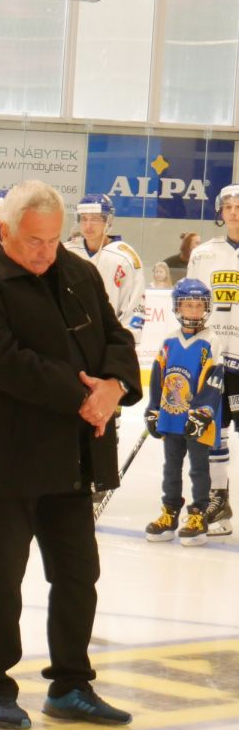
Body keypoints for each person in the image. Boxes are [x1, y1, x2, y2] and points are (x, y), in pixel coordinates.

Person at [0, 180, 141, 730]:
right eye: (34, 241)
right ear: (4, 230)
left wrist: (114, 386)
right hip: (8, 454)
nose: (45, 251)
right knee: (2, 575)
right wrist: (85, 396)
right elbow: (2, 362)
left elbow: (116, 339)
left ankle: (71, 684)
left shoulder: (78, 272)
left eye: (54, 240)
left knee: (79, 572)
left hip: (74, 452)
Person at [144, 279, 225, 547]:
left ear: (207, 308)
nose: (193, 310)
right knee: (171, 468)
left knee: (199, 469)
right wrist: (153, 408)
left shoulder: (211, 341)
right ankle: (169, 513)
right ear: (177, 307)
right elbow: (157, 377)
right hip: (171, 416)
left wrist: (202, 413)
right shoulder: (169, 340)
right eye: (187, 305)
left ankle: (198, 516)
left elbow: (214, 381)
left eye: (198, 305)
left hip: (199, 421)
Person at [185, 184, 239, 536]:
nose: (234, 211)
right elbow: (190, 304)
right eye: (229, 206)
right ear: (220, 211)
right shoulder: (203, 254)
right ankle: (219, 501)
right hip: (217, 356)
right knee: (215, 429)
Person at [66, 193, 147, 332]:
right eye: (84, 218)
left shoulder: (125, 258)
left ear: (107, 220)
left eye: (95, 219)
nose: (88, 225)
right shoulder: (68, 252)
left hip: (108, 338)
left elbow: (134, 307)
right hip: (70, 338)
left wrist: (123, 340)